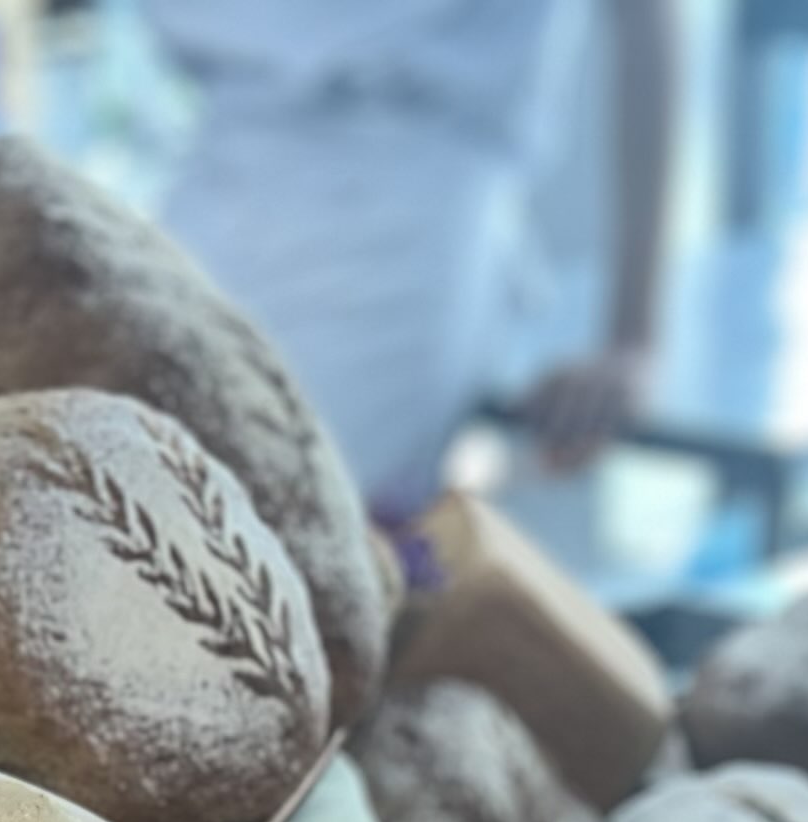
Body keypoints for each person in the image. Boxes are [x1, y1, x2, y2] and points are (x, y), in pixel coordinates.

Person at [134, 0, 681, 519]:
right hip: (210, 180)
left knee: (295, 549)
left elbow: (647, 19)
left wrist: (634, 338)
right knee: (142, 508)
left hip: (406, 216)